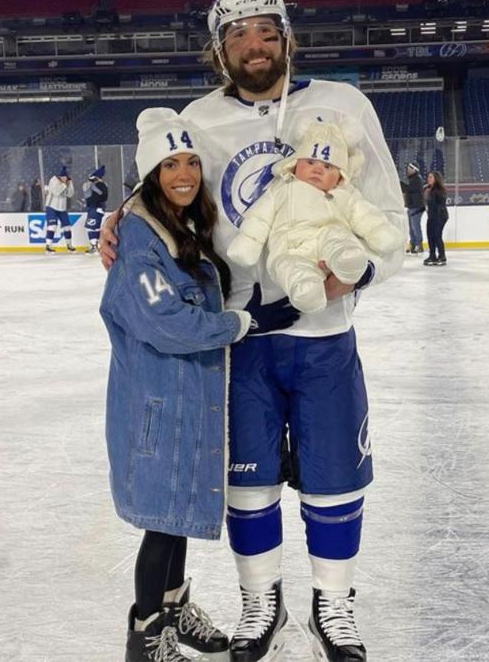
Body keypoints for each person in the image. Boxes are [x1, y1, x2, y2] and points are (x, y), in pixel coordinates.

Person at [101, 0, 405, 660]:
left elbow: (392, 226)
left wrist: (339, 281)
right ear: (218, 50)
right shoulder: (200, 118)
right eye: (238, 36)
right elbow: (167, 191)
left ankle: (334, 606)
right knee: (246, 481)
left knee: (335, 479)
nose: (254, 45)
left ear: (288, 38)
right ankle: (257, 603)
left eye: (266, 32)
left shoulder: (342, 107)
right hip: (241, 342)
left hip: (325, 340)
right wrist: (118, 215)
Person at [101, 108, 298, 662]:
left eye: (191, 161)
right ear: (151, 173)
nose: (184, 172)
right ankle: (146, 636)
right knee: (163, 524)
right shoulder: (140, 238)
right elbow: (168, 323)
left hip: (188, 397)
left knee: (180, 511)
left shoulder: (181, 222)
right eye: (170, 164)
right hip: (159, 401)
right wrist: (242, 323)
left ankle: (174, 608)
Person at [227, 120, 405, 313]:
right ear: (295, 164)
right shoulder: (281, 189)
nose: (318, 169)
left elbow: (365, 215)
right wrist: (247, 244)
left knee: (339, 239)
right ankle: (306, 290)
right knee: (287, 265)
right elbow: (259, 219)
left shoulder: (344, 194)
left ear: (340, 175)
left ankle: (348, 260)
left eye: (328, 166)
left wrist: (382, 233)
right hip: (290, 246)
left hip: (329, 237)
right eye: (310, 162)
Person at [43, 166, 76, 253]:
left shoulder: (68, 181)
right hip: (51, 207)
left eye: (65, 177)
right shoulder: (53, 180)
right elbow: (56, 192)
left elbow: (70, 194)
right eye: (63, 177)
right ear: (59, 176)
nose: (64, 178)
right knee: (52, 226)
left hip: (62, 208)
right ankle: (48, 246)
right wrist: (64, 184)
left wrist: (69, 185)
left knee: (67, 227)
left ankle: (69, 245)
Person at [423, 170, 449, 266]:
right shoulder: (428, 189)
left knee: (437, 235)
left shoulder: (439, 190)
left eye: (431, 177)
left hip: (440, 216)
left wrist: (436, 212)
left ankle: (442, 256)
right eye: (428, 177)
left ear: (436, 179)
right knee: (430, 235)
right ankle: (432, 255)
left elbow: (440, 203)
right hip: (431, 216)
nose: (428, 179)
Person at [83, 165, 109, 254]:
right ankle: (96, 245)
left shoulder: (100, 185)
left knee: (91, 227)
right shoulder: (101, 185)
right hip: (96, 207)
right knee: (93, 227)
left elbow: (101, 196)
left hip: (96, 207)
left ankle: (95, 246)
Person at [401, 162, 426, 253]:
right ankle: (413, 244)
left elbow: (408, 189)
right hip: (412, 206)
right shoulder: (413, 179)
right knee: (412, 227)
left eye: (409, 168)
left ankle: (419, 245)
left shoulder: (417, 180)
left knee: (415, 227)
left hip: (417, 207)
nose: (407, 170)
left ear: (414, 170)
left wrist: (399, 182)